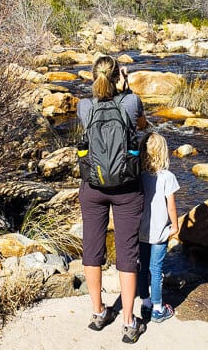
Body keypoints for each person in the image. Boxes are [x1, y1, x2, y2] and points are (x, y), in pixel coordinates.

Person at [77, 55, 148, 344]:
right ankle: (129, 322)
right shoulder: (130, 102)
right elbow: (142, 125)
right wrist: (127, 88)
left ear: (93, 78)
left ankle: (98, 313)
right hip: (127, 188)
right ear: (119, 75)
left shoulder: (85, 107)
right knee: (127, 253)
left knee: (92, 250)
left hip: (93, 187)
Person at [137, 132, 179, 323]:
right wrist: (175, 226)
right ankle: (157, 308)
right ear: (163, 153)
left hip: (141, 230)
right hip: (160, 231)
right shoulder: (168, 177)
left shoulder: (140, 176)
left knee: (143, 267)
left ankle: (145, 303)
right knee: (156, 269)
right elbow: (171, 205)